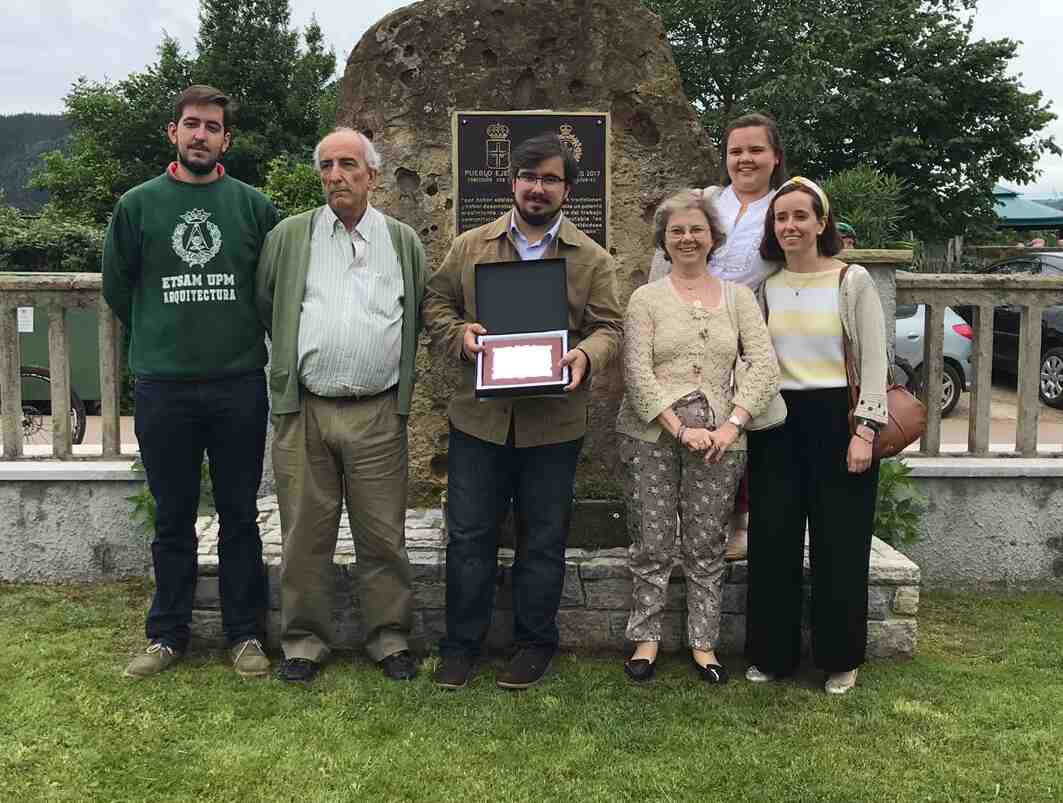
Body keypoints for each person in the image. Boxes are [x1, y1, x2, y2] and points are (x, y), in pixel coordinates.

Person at [424, 132, 623, 690]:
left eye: (551, 180)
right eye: (529, 178)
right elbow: (436, 302)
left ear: (567, 190)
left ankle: (535, 643)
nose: (538, 189)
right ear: (512, 182)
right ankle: (461, 645)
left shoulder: (592, 259)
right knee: (468, 536)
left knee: (542, 538)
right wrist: (458, 333)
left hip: (553, 425)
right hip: (478, 421)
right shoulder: (469, 247)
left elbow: (610, 326)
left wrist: (585, 354)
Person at [104, 85, 279, 679]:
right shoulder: (137, 205)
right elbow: (118, 288)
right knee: (173, 515)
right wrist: (163, 336)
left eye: (212, 126)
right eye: (190, 124)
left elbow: (270, 289)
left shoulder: (255, 208)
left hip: (237, 385)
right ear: (173, 133)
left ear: (226, 139)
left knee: (239, 515)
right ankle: (167, 634)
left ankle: (244, 635)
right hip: (164, 386)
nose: (200, 134)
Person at [255, 128, 429, 683]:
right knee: (305, 533)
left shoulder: (402, 242)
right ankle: (304, 643)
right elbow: (268, 304)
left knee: (383, 534)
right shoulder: (290, 236)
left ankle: (390, 638)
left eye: (348, 165)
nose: (336, 176)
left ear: (372, 176)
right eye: (327, 165)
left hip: (378, 411)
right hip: (305, 409)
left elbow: (418, 312)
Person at [616, 190, 779, 683]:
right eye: (677, 231)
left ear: (713, 238)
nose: (687, 238)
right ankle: (645, 638)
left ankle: (704, 643)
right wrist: (679, 428)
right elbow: (636, 370)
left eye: (696, 230)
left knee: (707, 542)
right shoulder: (645, 299)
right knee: (651, 538)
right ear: (663, 242)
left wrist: (731, 426)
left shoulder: (739, 298)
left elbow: (764, 366)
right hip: (651, 433)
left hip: (721, 439)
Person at [744, 177, 888, 695]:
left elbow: (874, 359)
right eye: (781, 218)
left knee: (840, 543)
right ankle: (772, 655)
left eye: (801, 216)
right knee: (773, 539)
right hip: (777, 424)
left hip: (840, 420)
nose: (790, 226)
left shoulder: (853, 282)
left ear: (821, 222)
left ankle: (840, 657)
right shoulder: (767, 289)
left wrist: (866, 430)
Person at [650, 112, 789, 561]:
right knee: (683, 416)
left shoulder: (783, 210)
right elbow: (667, 256)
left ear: (775, 157)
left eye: (755, 150)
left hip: (748, 331)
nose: (745, 159)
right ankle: (676, 518)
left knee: (735, 423)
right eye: (735, 151)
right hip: (686, 324)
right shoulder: (707, 200)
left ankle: (738, 520)